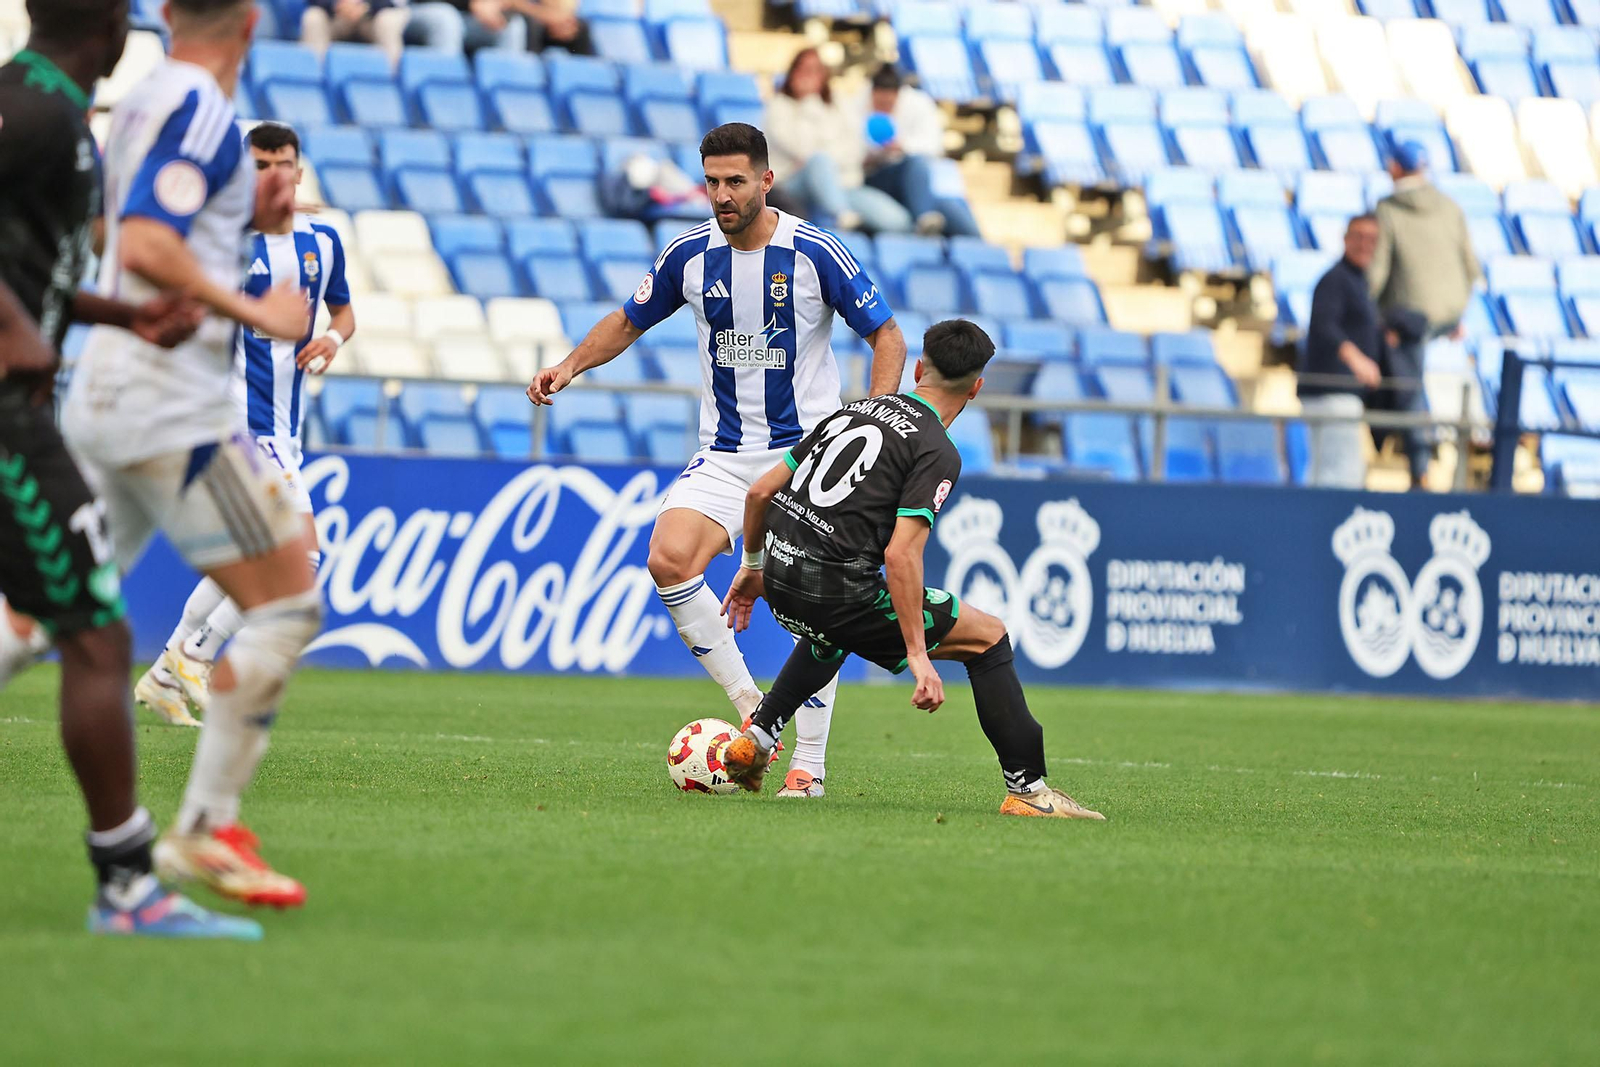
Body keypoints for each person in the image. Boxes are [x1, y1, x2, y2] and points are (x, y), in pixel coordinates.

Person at [528, 123, 906, 798]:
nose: (722, 195)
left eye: (736, 181)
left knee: (818, 606)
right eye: (712, 182)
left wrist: (875, 425)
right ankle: (749, 709)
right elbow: (628, 319)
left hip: (807, 457)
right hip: (727, 455)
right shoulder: (690, 256)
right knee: (668, 558)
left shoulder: (815, 252)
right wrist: (569, 365)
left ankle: (808, 768)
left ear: (765, 180)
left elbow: (887, 333)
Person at [0, 0, 259, 939]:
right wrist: (12, 330)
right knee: (98, 636)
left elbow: (45, 273)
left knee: (63, 625)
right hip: (10, 420)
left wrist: (124, 318)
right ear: (111, 24)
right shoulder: (30, 110)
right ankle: (128, 886)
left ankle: (129, 884)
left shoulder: (65, 116)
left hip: (35, 409)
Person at [61, 0, 324, 914]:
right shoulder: (205, 114)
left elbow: (108, 235)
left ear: (167, 14)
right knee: (290, 599)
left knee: (32, 616)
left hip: (104, 389)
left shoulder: (136, 101)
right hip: (168, 409)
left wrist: (241, 212)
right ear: (252, 22)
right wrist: (257, 312)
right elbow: (142, 242)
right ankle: (206, 829)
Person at [716, 319, 1103, 820]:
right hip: (834, 590)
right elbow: (902, 555)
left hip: (779, 577)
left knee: (835, 629)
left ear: (919, 368)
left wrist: (751, 569)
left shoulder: (852, 410)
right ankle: (1028, 790)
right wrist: (918, 656)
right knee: (987, 637)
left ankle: (760, 735)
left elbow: (759, 492)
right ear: (977, 388)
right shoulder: (936, 450)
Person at [134, 121, 353, 728]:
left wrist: (332, 337)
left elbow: (345, 310)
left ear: (299, 170)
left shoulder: (323, 242)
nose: (274, 175)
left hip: (286, 429)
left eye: (283, 163)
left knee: (257, 555)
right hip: (242, 425)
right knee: (300, 561)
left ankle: (169, 669)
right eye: (260, 165)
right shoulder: (225, 245)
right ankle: (192, 660)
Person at [1369, 140, 1482, 491]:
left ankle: (1420, 466)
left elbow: (1377, 271)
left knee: (1408, 383)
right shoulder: (1450, 206)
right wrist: (1457, 312)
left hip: (1410, 315)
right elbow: (1471, 266)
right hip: (1448, 310)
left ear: (1395, 169)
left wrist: (1370, 314)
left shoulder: (1387, 210)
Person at [765, 48, 915, 234]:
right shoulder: (778, 107)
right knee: (819, 161)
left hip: (843, 184)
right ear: (792, 72)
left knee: (898, 222)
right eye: (803, 70)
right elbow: (805, 150)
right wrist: (809, 101)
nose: (808, 77)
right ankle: (841, 215)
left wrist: (829, 161)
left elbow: (856, 148)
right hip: (792, 185)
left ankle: (845, 215)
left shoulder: (840, 103)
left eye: (815, 71)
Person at [1299, 215, 1385, 490]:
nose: (1364, 245)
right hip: (1331, 391)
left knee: (1330, 467)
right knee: (1338, 473)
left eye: (1372, 239)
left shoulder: (1358, 281)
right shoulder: (1336, 279)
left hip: (1342, 394)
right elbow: (1324, 325)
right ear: (1345, 238)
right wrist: (1356, 359)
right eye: (1358, 237)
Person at [854, 66, 981, 238]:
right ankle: (924, 220)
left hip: (915, 184)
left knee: (960, 217)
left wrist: (901, 146)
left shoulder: (919, 103)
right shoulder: (855, 104)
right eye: (879, 103)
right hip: (874, 179)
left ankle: (927, 221)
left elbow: (934, 146)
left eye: (888, 104)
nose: (883, 108)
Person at [300, 0, 408, 65]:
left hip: (375, 15)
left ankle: (391, 82)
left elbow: (394, 3)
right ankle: (313, 79)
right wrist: (335, 4)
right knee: (313, 17)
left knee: (388, 21)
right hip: (338, 14)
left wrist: (365, 5)